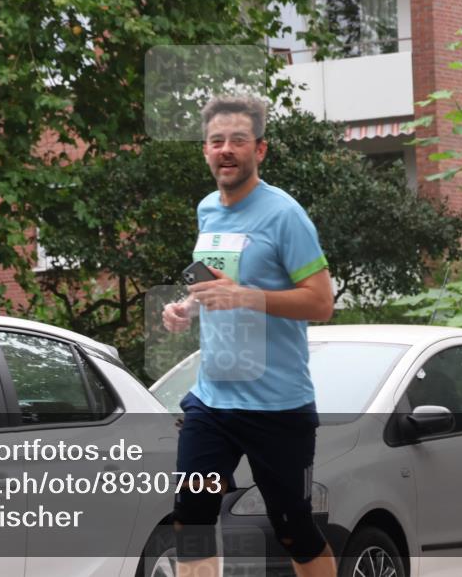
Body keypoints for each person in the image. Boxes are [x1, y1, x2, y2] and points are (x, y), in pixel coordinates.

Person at [162, 94, 336, 577]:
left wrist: (247, 297)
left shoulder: (285, 216)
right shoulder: (206, 211)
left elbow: (321, 303)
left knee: (293, 530)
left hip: (277, 407)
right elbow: (217, 280)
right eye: (217, 141)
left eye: (238, 140)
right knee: (191, 516)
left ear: (260, 150)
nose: (226, 150)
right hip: (213, 402)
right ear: (205, 150)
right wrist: (186, 306)